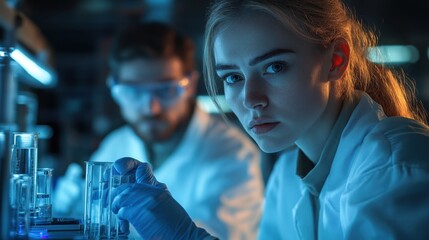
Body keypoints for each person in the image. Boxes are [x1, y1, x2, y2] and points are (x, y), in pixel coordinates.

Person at [109, 0, 429, 239]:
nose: (250, 98)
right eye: (233, 77)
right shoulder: (287, 175)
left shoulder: (397, 168)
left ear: (336, 60)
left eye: (274, 67)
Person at [53, 21, 264, 239]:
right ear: (114, 88)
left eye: (165, 90)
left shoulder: (235, 154)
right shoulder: (115, 144)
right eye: (133, 92)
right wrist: (70, 214)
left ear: (190, 84)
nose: (150, 108)